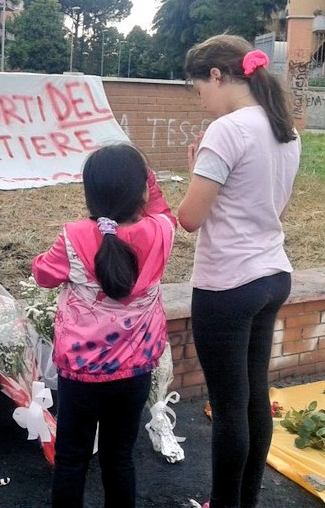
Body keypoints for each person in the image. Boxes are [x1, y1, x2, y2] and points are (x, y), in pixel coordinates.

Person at [178, 34, 301, 508]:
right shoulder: (280, 128)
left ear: (217, 75)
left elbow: (190, 218)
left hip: (228, 284)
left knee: (230, 408)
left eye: (199, 89)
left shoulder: (227, 131)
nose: (201, 101)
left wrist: (195, 173)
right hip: (273, 276)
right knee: (253, 399)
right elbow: (276, 211)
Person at [32, 143, 176, 507]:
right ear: (142, 188)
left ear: (89, 193)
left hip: (80, 375)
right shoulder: (161, 232)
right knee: (120, 457)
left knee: (71, 459)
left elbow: (42, 276)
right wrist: (152, 186)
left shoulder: (75, 236)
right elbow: (163, 212)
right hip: (135, 372)